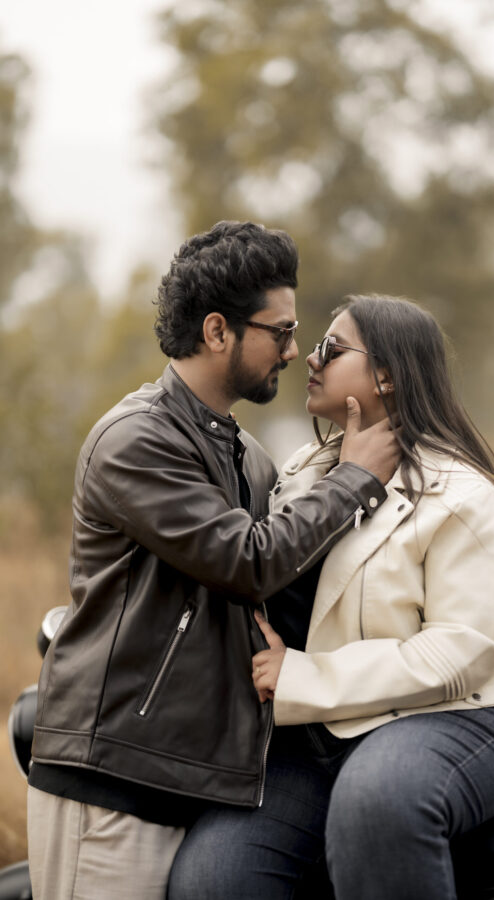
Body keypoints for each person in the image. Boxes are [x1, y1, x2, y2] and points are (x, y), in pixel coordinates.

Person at [27, 225, 400, 900]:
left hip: (190, 784)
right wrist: (354, 480)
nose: (294, 351)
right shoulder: (136, 440)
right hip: (111, 785)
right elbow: (247, 562)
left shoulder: (248, 458)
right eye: (280, 332)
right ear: (218, 330)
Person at [168, 294, 494, 900]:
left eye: (332, 348)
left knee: (376, 800)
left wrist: (301, 677)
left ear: (387, 376)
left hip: (463, 714)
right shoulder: (300, 474)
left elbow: (460, 653)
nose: (310, 357)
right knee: (212, 877)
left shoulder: (464, 496)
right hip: (320, 735)